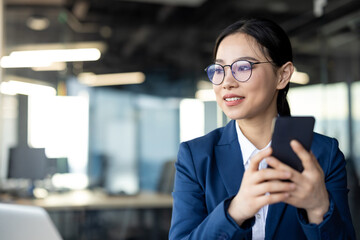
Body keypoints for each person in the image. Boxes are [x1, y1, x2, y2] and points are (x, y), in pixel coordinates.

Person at [169, 18, 356, 240]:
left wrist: (317, 208)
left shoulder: (323, 153)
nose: (227, 82)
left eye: (243, 67)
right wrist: (236, 210)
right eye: (219, 69)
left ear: (283, 75)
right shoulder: (196, 156)